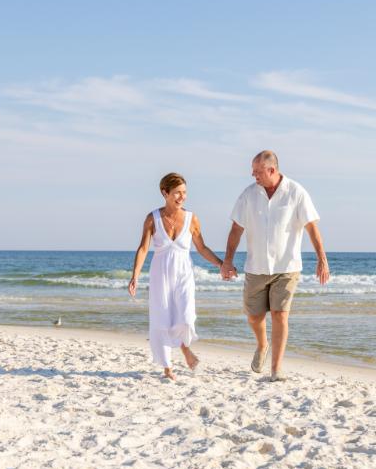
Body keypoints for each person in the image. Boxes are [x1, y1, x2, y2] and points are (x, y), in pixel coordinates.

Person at [221, 150, 330, 381]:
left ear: (272, 170)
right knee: (254, 316)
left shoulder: (296, 192)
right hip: (256, 267)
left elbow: (311, 227)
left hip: (287, 267)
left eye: (257, 171)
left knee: (280, 315)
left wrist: (322, 258)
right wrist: (228, 260)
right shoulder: (248, 195)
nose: (253, 175)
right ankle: (262, 344)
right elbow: (236, 230)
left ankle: (276, 369)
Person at [128, 173, 227, 381]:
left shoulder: (192, 218)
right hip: (160, 275)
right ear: (165, 193)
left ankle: (185, 349)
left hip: (184, 274)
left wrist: (221, 264)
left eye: (184, 193)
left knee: (185, 315)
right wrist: (135, 276)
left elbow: (201, 247)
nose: (182, 197)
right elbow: (143, 248)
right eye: (177, 193)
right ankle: (167, 368)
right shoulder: (153, 218)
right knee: (162, 318)